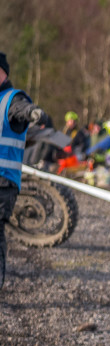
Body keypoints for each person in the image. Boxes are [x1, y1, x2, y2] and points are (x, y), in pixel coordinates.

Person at [0, 52, 46, 289]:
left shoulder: (11, 99)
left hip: (3, 183)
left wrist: (34, 113)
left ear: (3, 72)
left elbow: (24, 110)